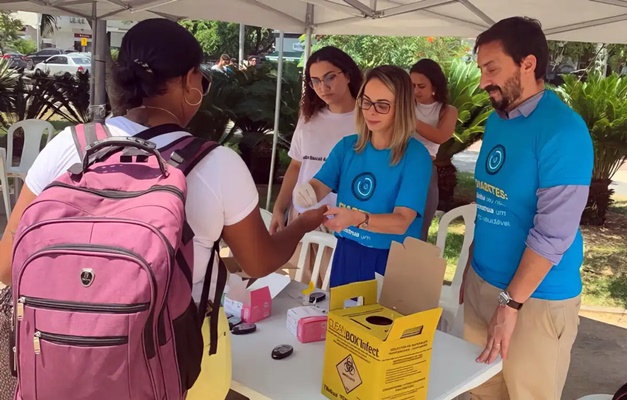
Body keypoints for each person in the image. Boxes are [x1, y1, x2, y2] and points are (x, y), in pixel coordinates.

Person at [0, 19, 325, 400]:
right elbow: (257, 262)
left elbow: (8, 264)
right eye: (202, 82)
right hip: (180, 364)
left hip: (60, 364)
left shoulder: (69, 146)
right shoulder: (216, 164)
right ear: (189, 80)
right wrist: (302, 225)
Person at [458, 17, 593, 400]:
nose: (483, 80)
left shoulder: (563, 131)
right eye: (481, 69)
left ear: (528, 63)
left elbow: (553, 233)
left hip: (534, 301)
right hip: (485, 285)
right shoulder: (498, 120)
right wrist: (472, 264)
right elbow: (490, 201)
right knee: (480, 392)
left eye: (492, 68)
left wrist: (509, 304)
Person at [294, 65, 433, 287]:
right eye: (366, 101)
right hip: (348, 251)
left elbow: (401, 222)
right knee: (340, 318)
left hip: (392, 258)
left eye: (382, 105)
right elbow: (321, 183)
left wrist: (357, 219)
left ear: (402, 108)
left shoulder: (415, 156)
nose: (371, 111)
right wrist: (307, 192)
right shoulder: (347, 147)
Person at [270, 46, 362, 285]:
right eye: (315, 81)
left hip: (342, 221)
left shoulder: (366, 120)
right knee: (297, 289)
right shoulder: (309, 116)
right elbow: (296, 166)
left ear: (348, 75)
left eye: (330, 77)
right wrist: (280, 209)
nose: (323, 87)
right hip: (302, 217)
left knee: (335, 294)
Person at [409, 59, 458, 240]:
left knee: (422, 223)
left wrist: (409, 120)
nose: (415, 91)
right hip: (399, 164)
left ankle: (414, 264)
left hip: (425, 168)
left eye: (421, 86)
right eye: (412, 85)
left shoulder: (447, 110)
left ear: (434, 85)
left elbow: (441, 136)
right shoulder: (405, 104)